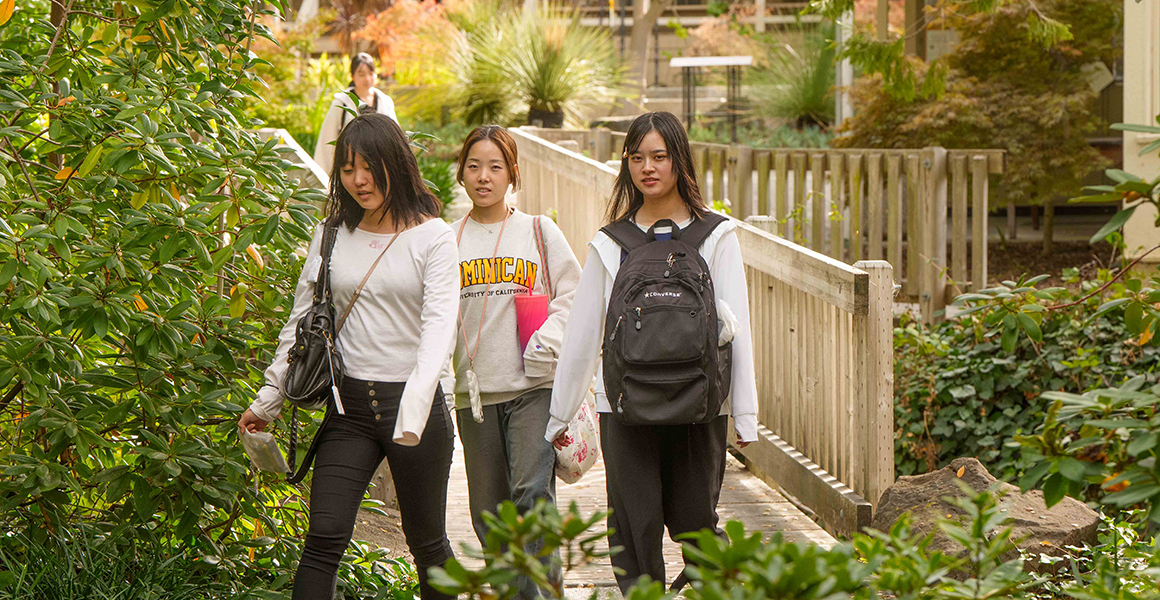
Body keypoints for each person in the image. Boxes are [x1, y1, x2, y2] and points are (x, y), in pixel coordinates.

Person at [238, 113, 459, 600]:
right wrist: (268, 400)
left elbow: (439, 330)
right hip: (348, 408)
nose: (358, 180)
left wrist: (417, 409)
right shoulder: (332, 234)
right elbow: (301, 326)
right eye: (347, 169)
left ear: (395, 165)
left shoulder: (435, 237)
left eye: (369, 167)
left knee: (428, 545)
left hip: (415, 409)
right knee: (323, 537)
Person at [544, 111, 758, 593]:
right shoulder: (609, 242)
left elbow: (735, 328)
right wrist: (560, 416)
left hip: (698, 405)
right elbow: (582, 335)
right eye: (637, 157)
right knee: (632, 525)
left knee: (697, 520)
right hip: (623, 406)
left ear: (680, 160)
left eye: (660, 156)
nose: (648, 167)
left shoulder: (717, 235)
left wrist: (745, 414)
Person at [450, 126, 581, 598]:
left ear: (513, 175)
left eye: (495, 166)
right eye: (474, 165)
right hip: (475, 396)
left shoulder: (539, 232)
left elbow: (575, 295)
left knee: (531, 497)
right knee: (490, 513)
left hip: (533, 389)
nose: (484, 176)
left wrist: (551, 335)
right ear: (461, 172)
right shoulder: (447, 241)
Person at [313, 52, 399, 176]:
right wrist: (324, 176)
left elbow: (395, 138)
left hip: (380, 170)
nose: (368, 79)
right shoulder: (341, 103)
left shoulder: (385, 101)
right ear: (352, 76)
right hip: (350, 169)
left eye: (371, 73)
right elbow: (327, 139)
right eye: (362, 74)